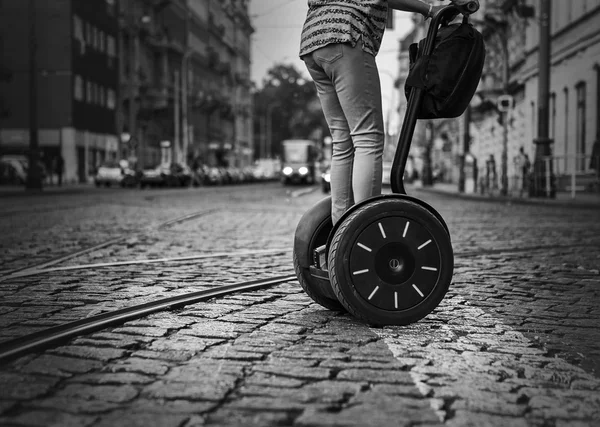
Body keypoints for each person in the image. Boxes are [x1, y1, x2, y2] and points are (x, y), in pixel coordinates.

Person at [299, 0, 451, 225]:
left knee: (343, 142)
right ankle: (365, 226)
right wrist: (428, 9)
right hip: (345, 33)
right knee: (367, 137)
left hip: (313, 38)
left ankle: (340, 229)